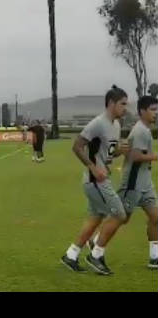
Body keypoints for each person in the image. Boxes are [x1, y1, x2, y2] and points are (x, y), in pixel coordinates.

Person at [60, 85, 129, 275]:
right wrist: (93, 168)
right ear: (111, 104)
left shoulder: (116, 125)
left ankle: (71, 255)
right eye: (123, 104)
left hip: (101, 178)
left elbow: (108, 154)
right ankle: (96, 255)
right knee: (120, 214)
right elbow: (77, 146)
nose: (125, 108)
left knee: (94, 219)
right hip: (95, 180)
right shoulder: (98, 123)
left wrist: (119, 152)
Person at [108, 96, 157, 269]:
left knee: (156, 218)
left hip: (145, 183)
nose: (155, 113)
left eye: (156, 109)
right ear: (142, 111)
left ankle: (154, 257)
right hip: (133, 184)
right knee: (122, 218)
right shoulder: (140, 131)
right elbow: (135, 157)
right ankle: (95, 243)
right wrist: (156, 156)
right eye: (152, 109)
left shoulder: (146, 129)